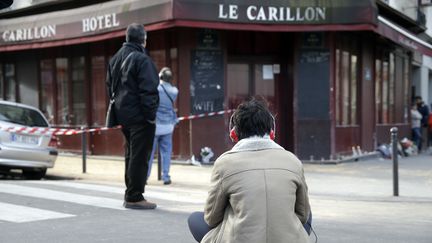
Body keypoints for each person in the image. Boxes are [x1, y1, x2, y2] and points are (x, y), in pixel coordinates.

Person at [188, 99, 312, 243]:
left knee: (195, 218)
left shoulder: (224, 163)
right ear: (272, 133)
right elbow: (303, 215)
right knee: (307, 212)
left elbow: (211, 218)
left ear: (233, 134)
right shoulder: (293, 161)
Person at [106, 23, 159, 209]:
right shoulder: (142, 59)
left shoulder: (115, 59)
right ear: (143, 39)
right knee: (139, 156)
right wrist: (150, 116)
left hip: (123, 116)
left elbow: (109, 86)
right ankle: (135, 196)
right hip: (140, 116)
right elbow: (149, 90)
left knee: (131, 154)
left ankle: (131, 193)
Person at [147, 67, 179, 185]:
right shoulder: (174, 91)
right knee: (166, 153)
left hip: (155, 126)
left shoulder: (156, 89)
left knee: (149, 153)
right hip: (168, 126)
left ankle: (145, 177)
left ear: (160, 77)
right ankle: (166, 177)